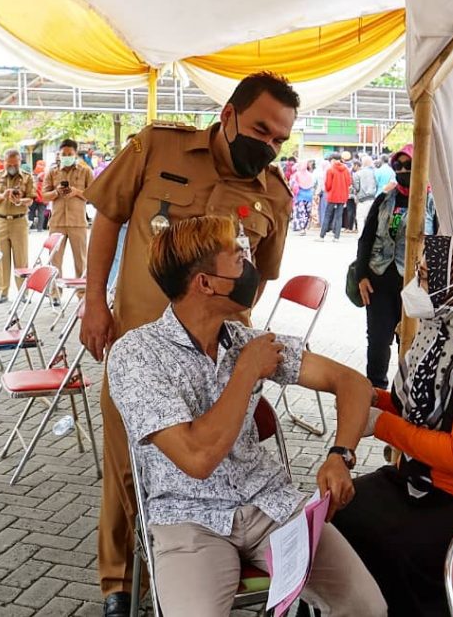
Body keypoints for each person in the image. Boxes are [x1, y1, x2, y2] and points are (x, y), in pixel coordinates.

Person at [81, 71, 298, 617]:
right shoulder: (159, 146)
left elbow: (261, 277)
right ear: (228, 115)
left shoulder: (273, 193)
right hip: (138, 345)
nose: (268, 146)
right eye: (261, 130)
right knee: (129, 466)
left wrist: (239, 342)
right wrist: (94, 303)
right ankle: (120, 583)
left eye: (280, 139)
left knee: (211, 457)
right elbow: (108, 218)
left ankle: (185, 570)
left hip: (213, 360)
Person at [108, 216, 386, 617]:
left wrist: (340, 454)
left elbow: (354, 383)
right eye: (239, 258)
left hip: (270, 504)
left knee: (366, 608)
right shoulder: (137, 354)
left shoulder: (246, 341)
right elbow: (197, 459)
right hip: (188, 516)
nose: (251, 268)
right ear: (205, 283)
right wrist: (245, 372)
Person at [334, 234, 453, 617]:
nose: (416, 285)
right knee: (339, 508)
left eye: (425, 275)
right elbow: (418, 411)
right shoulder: (445, 334)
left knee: (389, 545)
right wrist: (370, 396)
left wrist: (382, 424)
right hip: (426, 482)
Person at [354, 144, 437, 389]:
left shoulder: (433, 202)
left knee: (410, 342)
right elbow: (366, 239)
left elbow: (441, 241)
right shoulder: (385, 199)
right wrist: (361, 276)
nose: (402, 170)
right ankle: (375, 393)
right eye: (398, 166)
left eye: (408, 165)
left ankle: (404, 394)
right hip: (378, 280)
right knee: (378, 341)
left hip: (414, 285)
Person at [43, 138, 93, 303]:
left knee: (81, 260)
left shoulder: (85, 171)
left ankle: (82, 295)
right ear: (59, 154)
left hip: (78, 222)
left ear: (75, 154)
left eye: (69, 154)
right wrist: (57, 192)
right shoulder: (52, 172)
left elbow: (93, 195)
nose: (66, 157)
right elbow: (44, 196)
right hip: (56, 222)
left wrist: (76, 192)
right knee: (54, 260)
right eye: (63, 154)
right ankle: (55, 294)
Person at [0, 148, 35, 304]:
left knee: (21, 258)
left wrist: (21, 201)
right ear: (4, 162)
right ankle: (3, 292)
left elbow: (32, 199)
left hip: (19, 221)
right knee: (1, 258)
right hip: (0, 221)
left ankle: (23, 293)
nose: (12, 166)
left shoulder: (27, 178)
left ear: (20, 161)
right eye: (9, 163)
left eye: (15, 163)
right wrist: (3, 195)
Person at [319, 153, 351, 241]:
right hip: (343, 195)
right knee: (339, 216)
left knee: (327, 215)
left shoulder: (330, 170)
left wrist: (328, 190)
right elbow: (349, 182)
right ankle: (336, 237)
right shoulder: (346, 169)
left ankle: (322, 236)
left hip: (333, 195)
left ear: (333, 160)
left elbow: (328, 185)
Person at [289, 161, 315, 235]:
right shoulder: (311, 175)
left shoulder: (296, 175)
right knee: (307, 212)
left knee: (300, 212)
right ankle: (305, 227)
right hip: (309, 195)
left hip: (300, 195)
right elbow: (313, 184)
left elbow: (291, 184)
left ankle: (301, 228)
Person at [343, 160, 361, 232]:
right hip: (357, 195)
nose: (352, 167)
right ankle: (356, 228)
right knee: (356, 211)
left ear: (356, 165)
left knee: (350, 211)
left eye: (353, 165)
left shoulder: (351, 173)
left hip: (350, 195)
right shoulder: (360, 173)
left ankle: (350, 228)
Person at [30, 159, 48, 231]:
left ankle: (30, 226)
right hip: (43, 197)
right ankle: (40, 228)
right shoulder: (46, 174)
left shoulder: (33, 174)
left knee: (31, 212)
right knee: (41, 213)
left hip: (34, 196)